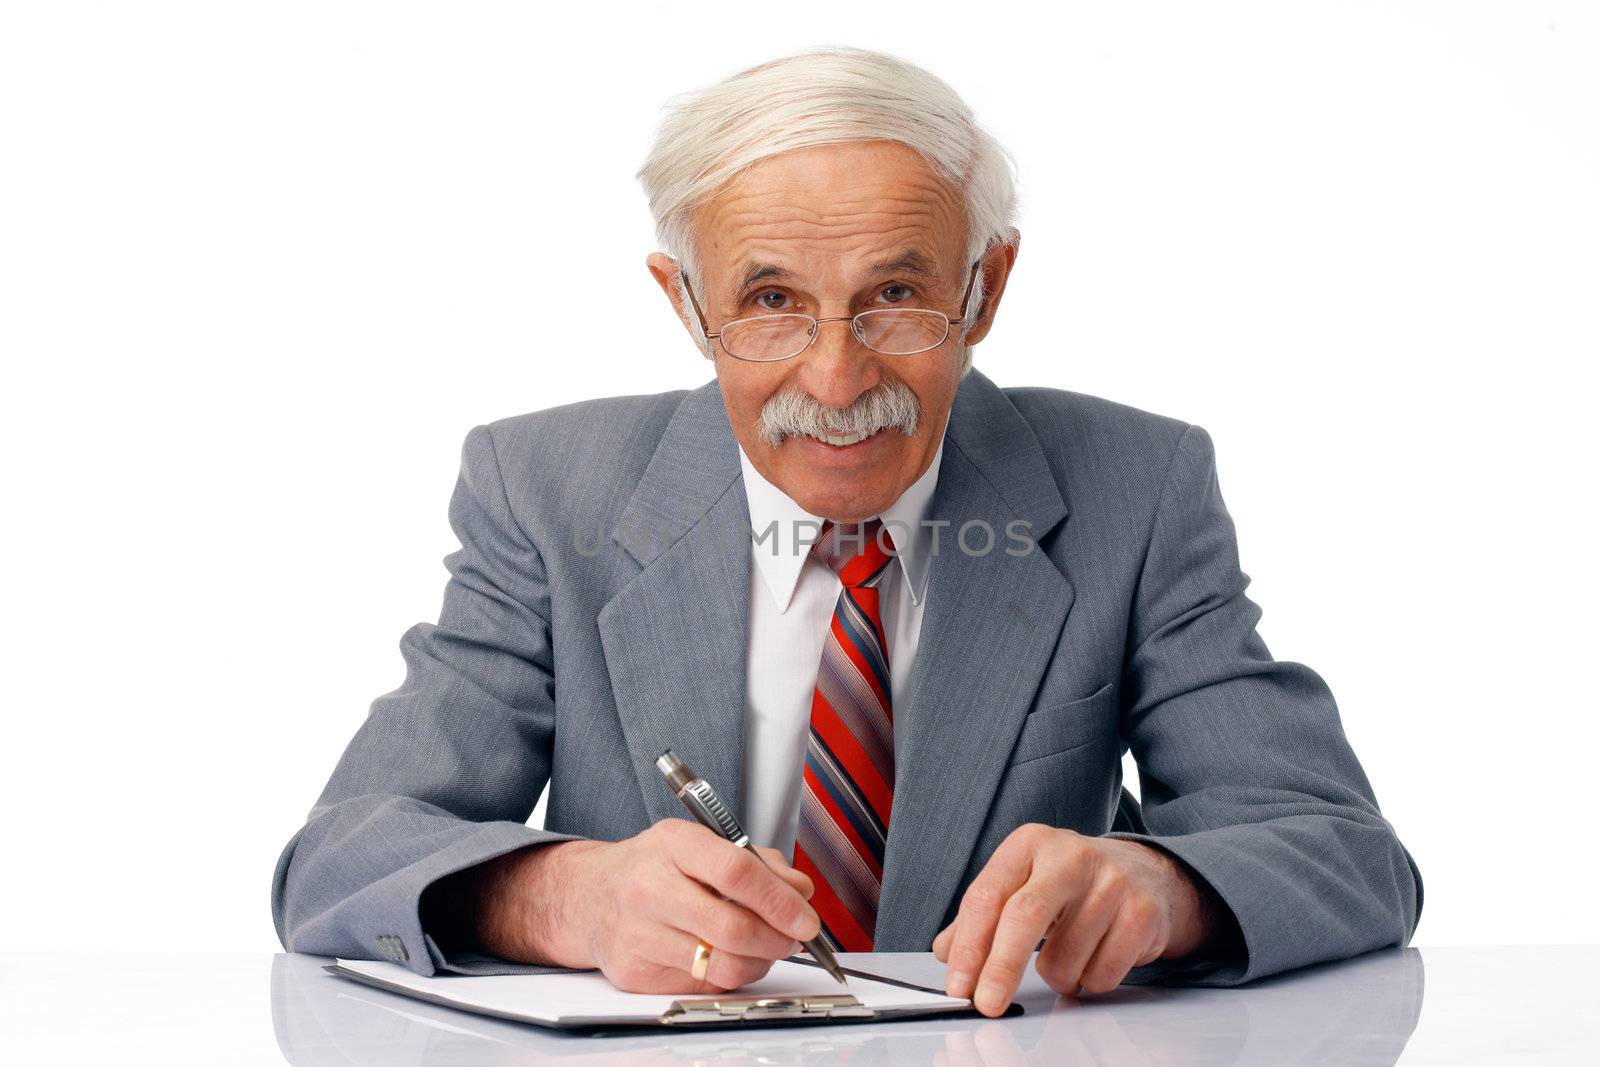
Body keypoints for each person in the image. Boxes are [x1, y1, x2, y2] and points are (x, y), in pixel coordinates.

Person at [271, 45, 1421, 1019]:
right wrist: (565, 896)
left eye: (897, 296)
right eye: (770, 301)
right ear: (685, 305)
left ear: (987, 287)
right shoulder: (544, 488)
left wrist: (1160, 887)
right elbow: (335, 863)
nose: (835, 377)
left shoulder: (1137, 485)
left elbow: (1346, 854)